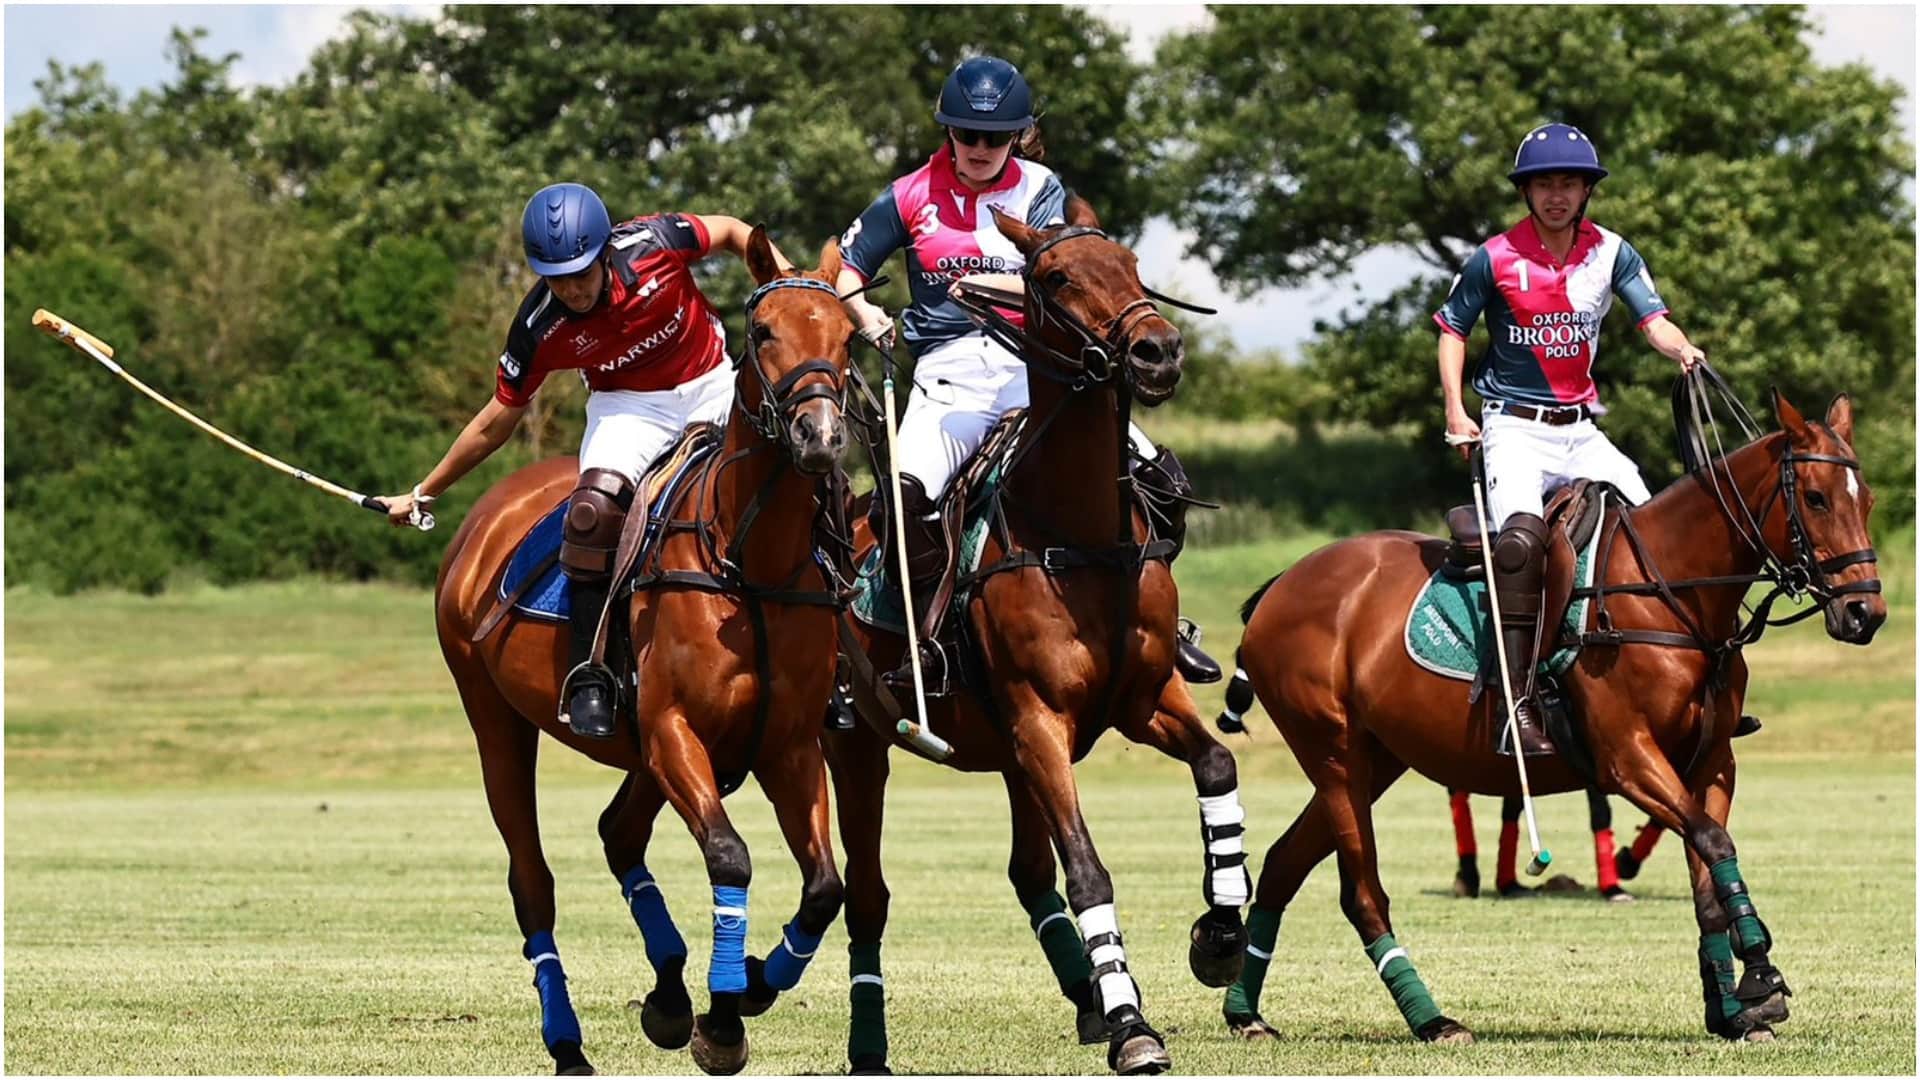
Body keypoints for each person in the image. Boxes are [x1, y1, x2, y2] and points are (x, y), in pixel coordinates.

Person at [834, 54, 1221, 694]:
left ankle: (1160, 625)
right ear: (948, 132)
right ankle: (926, 642)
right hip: (949, 376)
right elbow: (849, 268)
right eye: (967, 134)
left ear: (1017, 134)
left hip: (1031, 367)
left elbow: (1062, 267)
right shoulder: (908, 195)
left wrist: (982, 280)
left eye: (996, 136)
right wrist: (864, 310)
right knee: (902, 507)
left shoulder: (1040, 188)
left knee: (1161, 480)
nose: (981, 148)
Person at [382, 182, 792, 739]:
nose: (572, 289)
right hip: (629, 408)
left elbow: (729, 231)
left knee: (800, 470)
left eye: (581, 272)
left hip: (711, 381)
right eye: (557, 277)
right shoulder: (538, 326)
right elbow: (496, 419)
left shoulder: (653, 243)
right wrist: (425, 490)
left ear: (604, 252)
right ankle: (591, 673)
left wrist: (786, 287)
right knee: (591, 510)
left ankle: (834, 652)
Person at [1433, 122, 1707, 756]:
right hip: (1513, 430)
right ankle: (1516, 699)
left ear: (1586, 191)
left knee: (1660, 531)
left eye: (1570, 183)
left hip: (1581, 431)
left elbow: (1654, 319)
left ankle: (1692, 684)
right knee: (1521, 545)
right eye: (1545, 183)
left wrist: (1682, 349)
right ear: (1528, 192)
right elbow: (1453, 329)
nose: (1558, 194)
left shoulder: (1612, 253)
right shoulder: (1494, 256)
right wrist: (1456, 408)